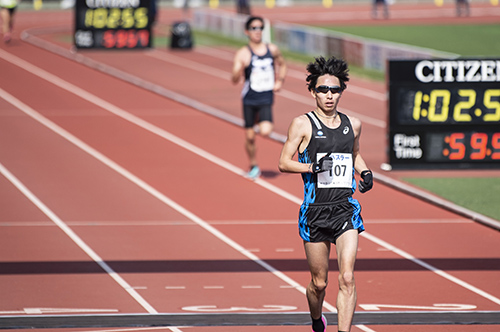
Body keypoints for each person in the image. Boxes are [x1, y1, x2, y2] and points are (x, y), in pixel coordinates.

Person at [278, 56, 373, 332]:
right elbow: (284, 162)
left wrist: (365, 172)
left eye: (334, 90)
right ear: (312, 92)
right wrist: (311, 166)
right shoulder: (302, 124)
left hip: (345, 209)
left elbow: (354, 154)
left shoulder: (352, 124)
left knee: (347, 277)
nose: (329, 95)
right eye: (323, 90)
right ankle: (316, 319)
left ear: (342, 91)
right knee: (319, 283)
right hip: (315, 212)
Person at [232, 16, 287, 179]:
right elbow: (234, 80)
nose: (258, 31)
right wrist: (238, 69)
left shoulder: (272, 49)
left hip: (265, 98)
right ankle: (254, 165)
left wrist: (280, 81)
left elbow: (283, 64)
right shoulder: (243, 53)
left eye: (260, 28)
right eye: (254, 28)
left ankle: (258, 121)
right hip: (249, 98)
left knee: (266, 131)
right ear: (247, 32)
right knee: (249, 137)